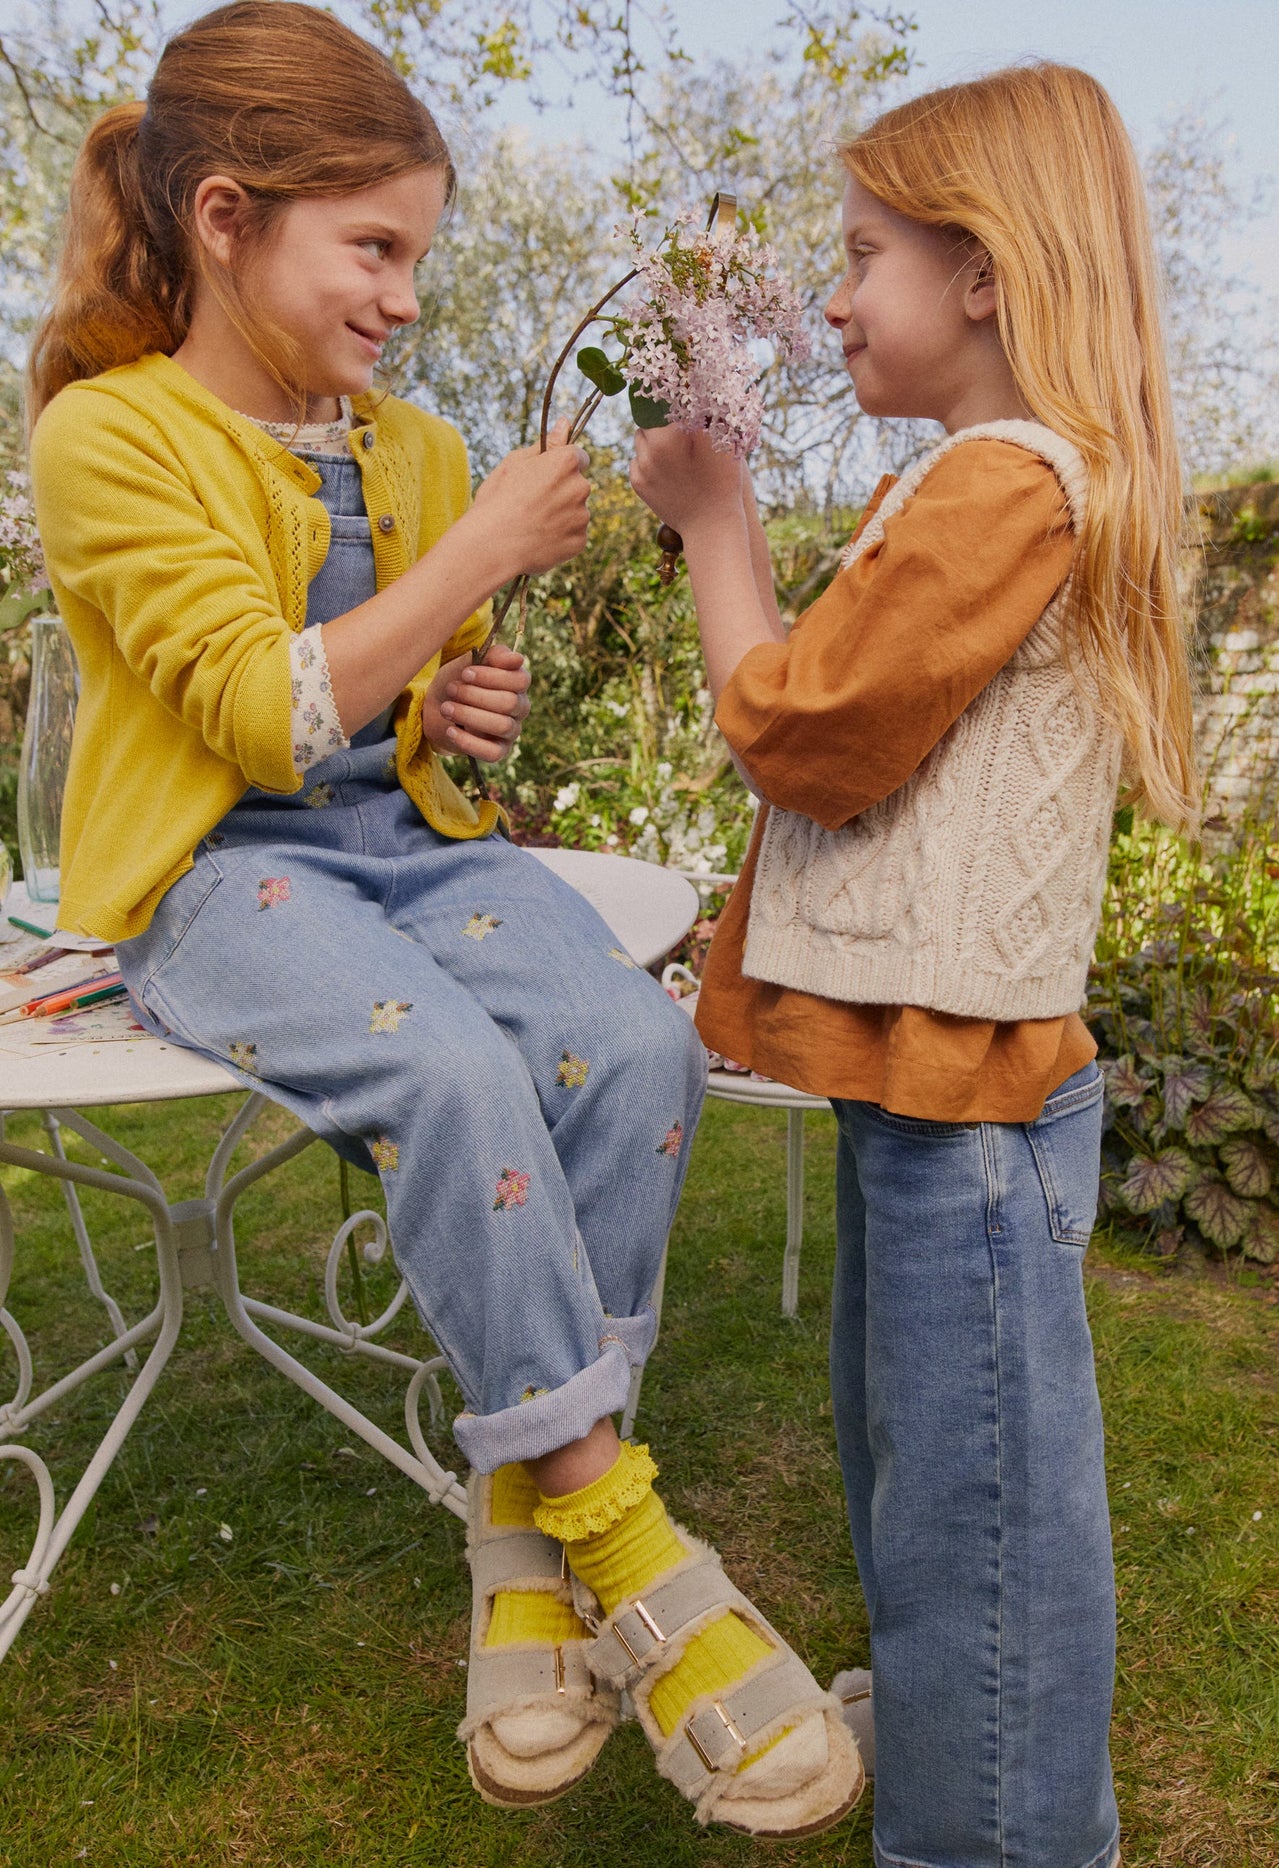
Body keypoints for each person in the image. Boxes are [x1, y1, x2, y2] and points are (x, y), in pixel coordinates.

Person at [27, 1, 864, 1835]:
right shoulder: (109, 437)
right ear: (227, 220)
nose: (405, 297)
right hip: (214, 872)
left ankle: (518, 1544)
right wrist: (480, 556)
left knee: (637, 1047)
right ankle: (622, 1545)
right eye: (375, 249)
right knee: (458, 1080)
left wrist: (459, 708)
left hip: (401, 847)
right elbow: (261, 713)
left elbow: (408, 709)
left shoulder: (407, 447)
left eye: (418, 256)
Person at [630, 62, 1199, 1868]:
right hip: (925, 1083)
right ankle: (963, 1740)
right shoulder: (977, 481)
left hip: (965, 1103)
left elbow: (804, 729)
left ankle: (1000, 1831)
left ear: (984, 273)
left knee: (982, 1512)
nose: (829, 297)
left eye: (860, 254)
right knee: (926, 1471)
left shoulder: (1005, 482)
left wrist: (714, 524)